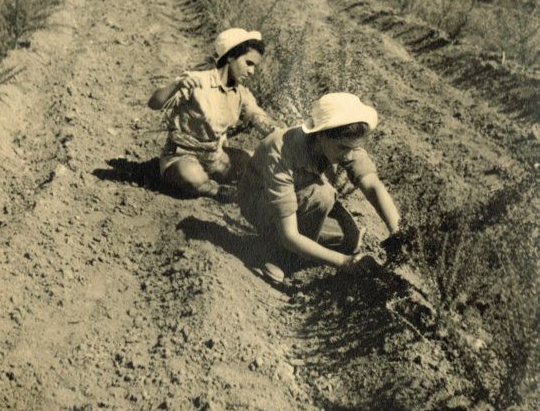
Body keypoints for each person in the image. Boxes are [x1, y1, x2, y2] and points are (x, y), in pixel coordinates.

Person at [238, 92, 400, 282]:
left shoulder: (341, 143)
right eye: (343, 148)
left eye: (352, 148)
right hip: (261, 204)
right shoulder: (281, 151)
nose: (348, 155)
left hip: (298, 198)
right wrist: (345, 262)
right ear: (322, 134)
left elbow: (372, 185)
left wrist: (398, 233)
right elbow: (290, 234)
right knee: (321, 196)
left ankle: (302, 248)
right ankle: (278, 255)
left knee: (349, 238)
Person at [149, 28, 275, 200]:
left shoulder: (241, 94)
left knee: (265, 162)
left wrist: (281, 135)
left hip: (216, 157)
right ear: (231, 56)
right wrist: (176, 86)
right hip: (182, 156)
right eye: (248, 63)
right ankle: (217, 191)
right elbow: (154, 103)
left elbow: (258, 117)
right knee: (192, 175)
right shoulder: (198, 81)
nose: (251, 72)